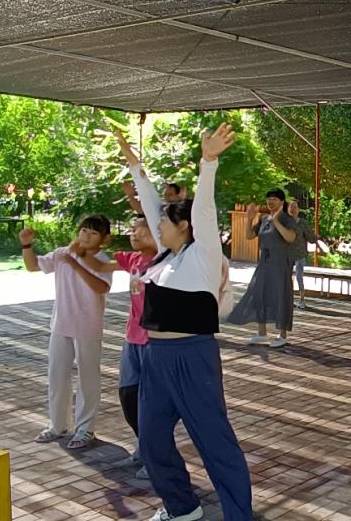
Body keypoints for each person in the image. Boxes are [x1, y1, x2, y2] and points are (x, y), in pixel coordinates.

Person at [126, 123, 255, 521]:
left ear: (184, 226)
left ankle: (239, 515)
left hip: (192, 357)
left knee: (216, 444)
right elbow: (151, 203)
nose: (156, 227)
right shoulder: (165, 258)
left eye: (164, 223)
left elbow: (204, 210)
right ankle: (182, 508)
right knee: (151, 442)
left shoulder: (203, 254)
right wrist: (133, 165)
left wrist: (208, 161)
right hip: (156, 358)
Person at [19, 215, 113, 450]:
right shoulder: (62, 254)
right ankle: (58, 425)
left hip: (88, 327)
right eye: (84, 230)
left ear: (104, 239)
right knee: (57, 376)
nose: (86, 236)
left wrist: (77, 263)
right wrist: (27, 245)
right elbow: (33, 265)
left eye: (93, 233)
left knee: (88, 379)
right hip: (61, 324)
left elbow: (102, 287)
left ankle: (85, 428)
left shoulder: (102, 260)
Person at [78, 210, 157, 479]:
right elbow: (101, 267)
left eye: (141, 230)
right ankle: (144, 448)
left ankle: (155, 458)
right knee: (128, 395)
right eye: (133, 229)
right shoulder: (133, 259)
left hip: (155, 342)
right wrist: (80, 252)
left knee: (151, 402)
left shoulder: (164, 262)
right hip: (132, 339)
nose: (134, 234)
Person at [227, 189, 298, 347]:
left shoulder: (287, 219)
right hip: (264, 262)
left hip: (280, 262)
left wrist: (277, 221)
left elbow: (291, 237)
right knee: (259, 293)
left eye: (274, 199)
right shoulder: (264, 219)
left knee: (280, 295)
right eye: (268, 199)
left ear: (281, 202)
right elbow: (249, 235)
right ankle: (261, 332)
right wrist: (249, 219)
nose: (270, 201)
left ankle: (282, 335)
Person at [287, 200, 318, 310]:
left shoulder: (302, 222)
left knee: (299, 276)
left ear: (298, 209)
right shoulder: (285, 222)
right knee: (287, 277)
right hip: (287, 254)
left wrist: (315, 238)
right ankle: (288, 299)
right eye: (291, 207)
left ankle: (302, 299)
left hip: (300, 254)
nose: (292, 209)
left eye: (295, 207)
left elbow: (310, 237)